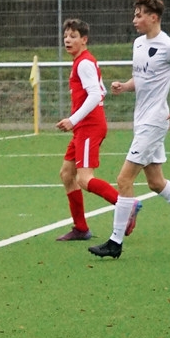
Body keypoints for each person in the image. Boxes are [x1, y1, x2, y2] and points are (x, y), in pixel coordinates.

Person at [89, 0, 170, 259]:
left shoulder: (169, 46)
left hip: (154, 122)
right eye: (135, 14)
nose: (134, 20)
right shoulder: (138, 44)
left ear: (154, 17)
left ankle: (115, 242)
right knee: (156, 183)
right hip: (141, 120)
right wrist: (125, 86)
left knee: (124, 179)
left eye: (139, 15)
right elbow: (142, 78)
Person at [54, 18, 124, 241]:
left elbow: (96, 94)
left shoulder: (84, 63)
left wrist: (73, 120)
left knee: (84, 179)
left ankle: (125, 205)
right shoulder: (82, 62)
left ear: (84, 40)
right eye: (66, 36)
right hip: (84, 127)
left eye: (73, 36)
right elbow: (101, 89)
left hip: (89, 126)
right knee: (67, 174)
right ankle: (81, 228)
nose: (68, 40)